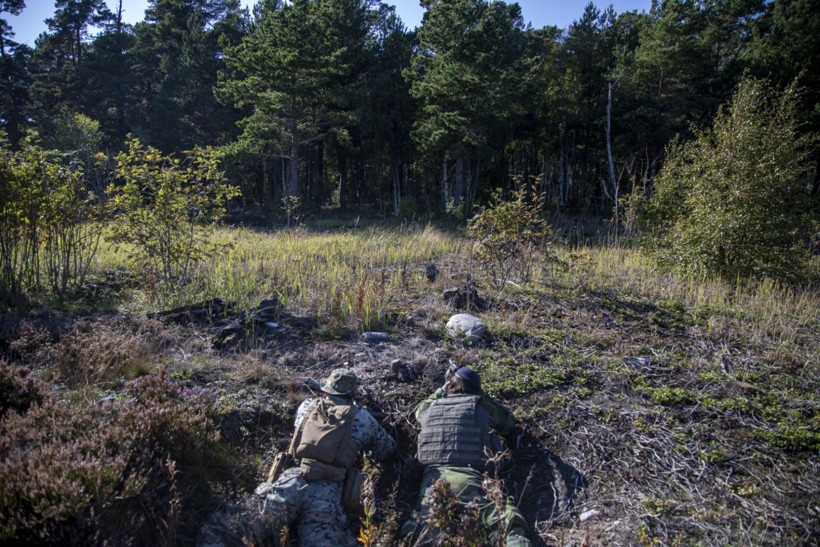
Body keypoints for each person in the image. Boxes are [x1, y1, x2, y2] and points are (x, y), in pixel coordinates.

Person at [197, 367, 396, 546]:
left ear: (326, 391)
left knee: (229, 526)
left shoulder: (307, 406)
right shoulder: (363, 418)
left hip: (292, 481)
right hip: (328, 494)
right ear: (352, 394)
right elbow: (386, 449)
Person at [403, 366, 531, 546]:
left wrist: (440, 391)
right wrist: (483, 397)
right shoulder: (480, 404)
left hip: (432, 483)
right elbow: (508, 423)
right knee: (508, 523)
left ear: (450, 385)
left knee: (418, 534)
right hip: (471, 480)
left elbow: (418, 410)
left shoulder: (429, 406)